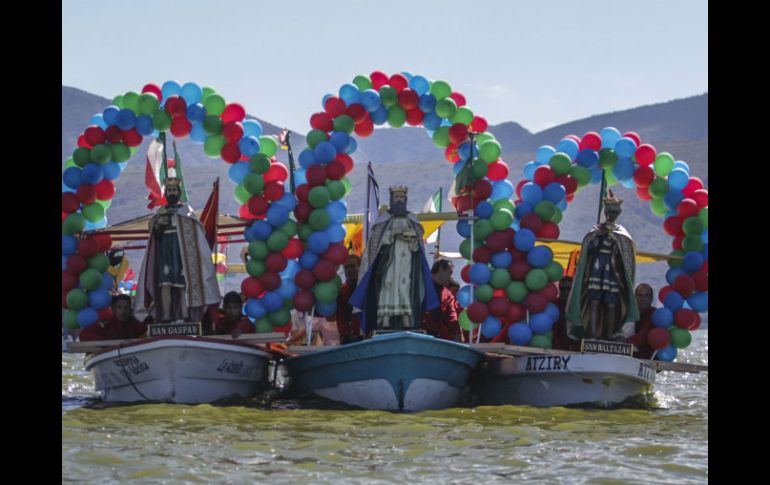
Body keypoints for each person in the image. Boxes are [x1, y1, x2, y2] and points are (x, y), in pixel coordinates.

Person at [350, 186, 439, 335]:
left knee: (405, 291)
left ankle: (407, 320)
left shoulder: (412, 220)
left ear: (405, 200)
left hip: (407, 265)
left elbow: (419, 246)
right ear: (391, 199)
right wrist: (392, 236)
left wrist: (411, 239)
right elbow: (376, 245)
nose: (399, 201)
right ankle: (384, 320)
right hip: (388, 263)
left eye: (401, 198)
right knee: (387, 290)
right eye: (396, 198)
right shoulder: (383, 221)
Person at [134, 177, 221, 324]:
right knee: (165, 285)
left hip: (182, 254)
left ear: (179, 193)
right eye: (169, 190)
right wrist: (159, 224)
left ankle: (185, 314)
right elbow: (154, 234)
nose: (172, 192)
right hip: (165, 253)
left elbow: (196, 233)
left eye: (174, 190)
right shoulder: (160, 212)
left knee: (182, 285)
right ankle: (166, 316)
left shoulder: (186, 212)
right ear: (166, 193)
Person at [566, 190, 639, 341]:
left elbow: (626, 254)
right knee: (594, 301)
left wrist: (616, 242)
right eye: (609, 212)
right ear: (605, 212)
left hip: (613, 273)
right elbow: (588, 248)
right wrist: (597, 238)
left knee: (611, 302)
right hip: (596, 269)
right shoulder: (596, 230)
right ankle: (592, 333)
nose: (611, 215)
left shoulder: (622, 233)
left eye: (614, 212)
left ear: (618, 214)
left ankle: (610, 333)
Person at [420, 259, 461, 341]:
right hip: (416, 332)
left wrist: (457, 334)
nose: (450, 277)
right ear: (441, 269)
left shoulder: (447, 294)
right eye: (450, 272)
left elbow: (451, 317)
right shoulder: (420, 284)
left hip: (434, 336)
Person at [79, 294, 147, 341]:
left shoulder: (133, 322)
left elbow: (143, 329)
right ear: (114, 308)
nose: (123, 311)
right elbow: (83, 335)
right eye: (119, 307)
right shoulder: (105, 323)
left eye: (126, 308)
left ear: (129, 309)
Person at [330, 254, 362, 344]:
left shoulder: (365, 289)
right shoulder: (340, 291)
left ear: (360, 267)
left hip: (363, 338)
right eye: (346, 267)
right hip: (345, 339)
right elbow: (330, 318)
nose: (349, 270)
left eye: (352, 266)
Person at [627, 283, 656, 359]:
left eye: (647, 295)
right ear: (635, 297)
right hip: (627, 351)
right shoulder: (628, 313)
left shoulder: (655, 314)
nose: (643, 299)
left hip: (645, 355)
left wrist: (624, 342)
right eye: (640, 295)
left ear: (651, 298)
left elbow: (644, 335)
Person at [551, 276, 578, 351]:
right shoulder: (553, 306)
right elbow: (553, 332)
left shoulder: (579, 306)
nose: (566, 292)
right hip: (557, 350)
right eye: (562, 289)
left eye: (569, 289)